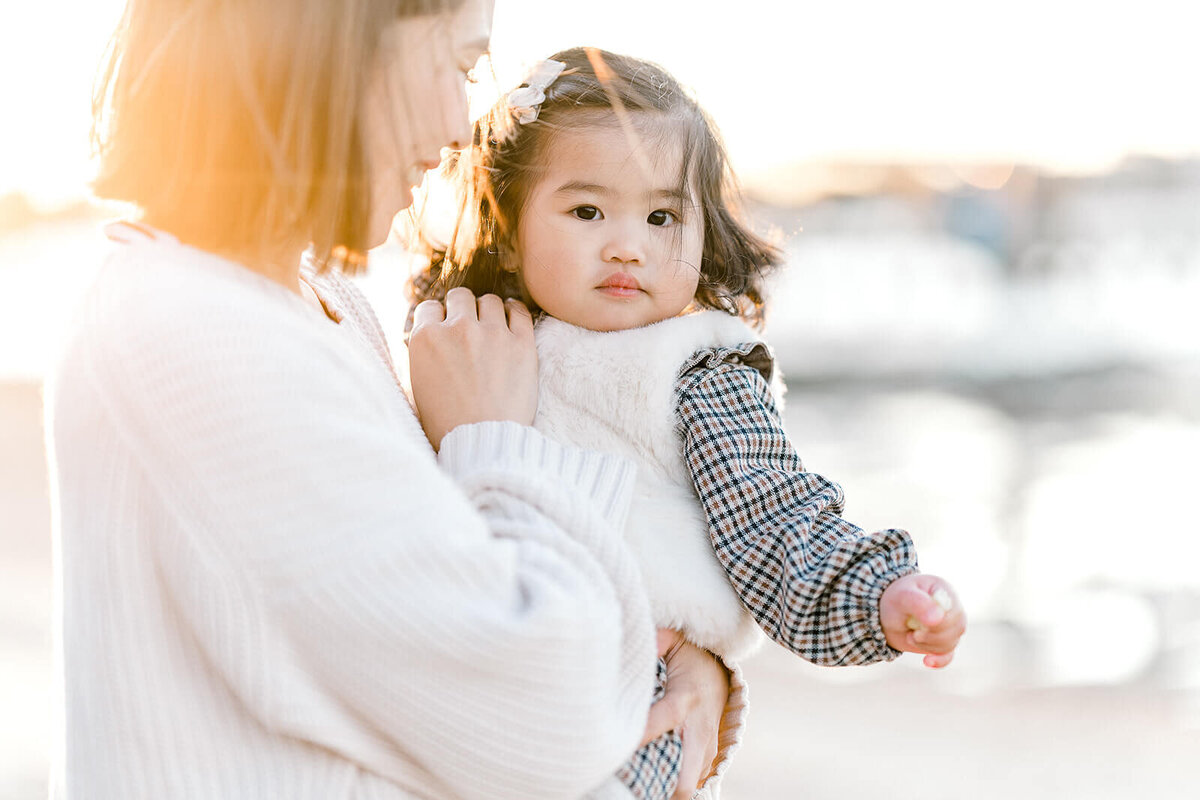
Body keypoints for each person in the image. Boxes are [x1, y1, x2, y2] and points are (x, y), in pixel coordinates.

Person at [45, 3, 732, 798]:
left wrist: (682, 661)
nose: (457, 127)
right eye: (459, 67)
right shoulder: (198, 336)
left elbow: (432, 626)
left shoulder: (305, 299)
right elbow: (548, 723)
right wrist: (494, 439)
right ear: (326, 48)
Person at [408, 46, 969, 796]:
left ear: (705, 231)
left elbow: (775, 517)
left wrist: (875, 595)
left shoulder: (695, 369)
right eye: (586, 210)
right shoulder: (471, 342)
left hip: (643, 683)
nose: (626, 244)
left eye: (662, 215)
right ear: (507, 229)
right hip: (478, 662)